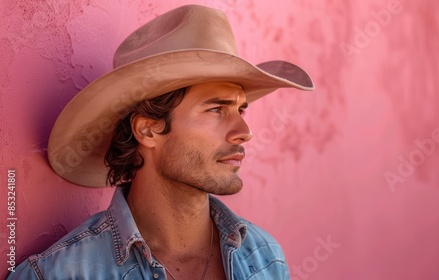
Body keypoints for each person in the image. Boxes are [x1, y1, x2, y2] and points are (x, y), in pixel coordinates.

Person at [8, 4, 313, 280]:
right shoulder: (61, 274)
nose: (244, 131)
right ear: (148, 130)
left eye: (240, 109)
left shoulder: (264, 258)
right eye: (217, 109)